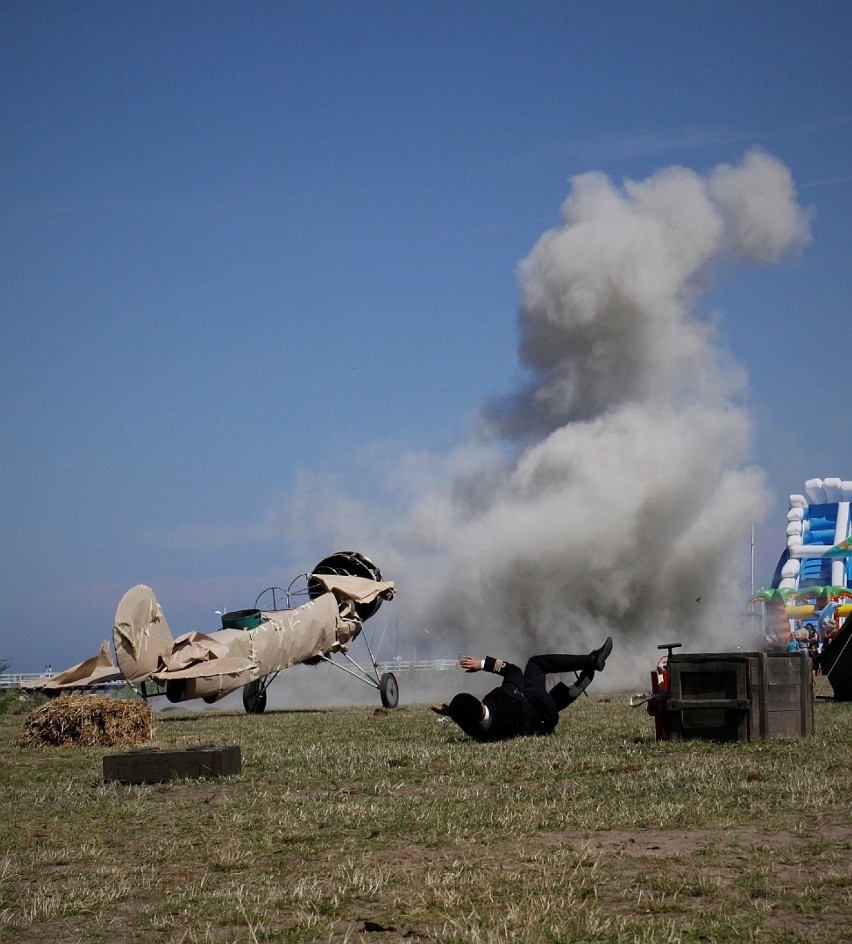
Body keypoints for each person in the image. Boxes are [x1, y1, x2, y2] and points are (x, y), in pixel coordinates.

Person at [431, 637, 613, 741]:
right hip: (540, 708)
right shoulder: (502, 696)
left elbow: (468, 721)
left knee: (531, 709)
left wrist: (454, 713)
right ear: (479, 701)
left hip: (541, 725)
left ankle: (566, 695)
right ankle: (591, 660)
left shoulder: (482, 735)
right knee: (535, 664)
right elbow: (513, 670)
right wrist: (483, 664)